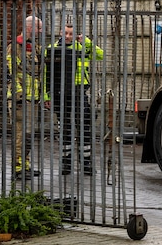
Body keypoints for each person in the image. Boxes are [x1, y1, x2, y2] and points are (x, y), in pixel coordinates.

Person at [47, 23, 104, 176]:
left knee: (84, 126)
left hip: (79, 91)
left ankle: (86, 162)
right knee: (65, 128)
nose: (67, 36)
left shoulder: (82, 47)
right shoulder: (52, 49)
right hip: (60, 92)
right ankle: (66, 162)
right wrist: (47, 95)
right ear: (60, 32)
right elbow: (47, 73)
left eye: (71, 34)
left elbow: (101, 55)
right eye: (65, 33)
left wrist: (86, 41)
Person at [6, 15, 49, 178]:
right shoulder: (15, 47)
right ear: (29, 27)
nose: (41, 31)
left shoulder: (35, 47)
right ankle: (18, 169)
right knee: (20, 134)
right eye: (39, 28)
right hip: (21, 101)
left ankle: (26, 165)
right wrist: (19, 95)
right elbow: (11, 71)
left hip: (33, 99)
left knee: (28, 135)